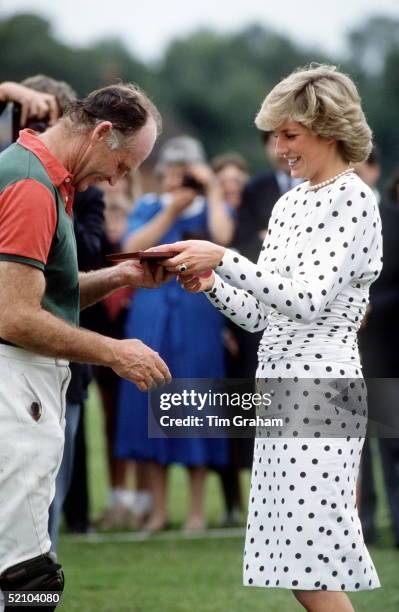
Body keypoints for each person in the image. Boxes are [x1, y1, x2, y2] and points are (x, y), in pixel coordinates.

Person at [157, 65, 383, 611]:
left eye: (290, 134)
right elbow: (262, 314)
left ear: (328, 129)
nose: (278, 148)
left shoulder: (353, 199)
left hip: (322, 384)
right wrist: (210, 283)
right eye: (275, 135)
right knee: (295, 564)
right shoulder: (289, 203)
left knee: (312, 564)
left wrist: (224, 256)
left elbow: (305, 300)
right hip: (277, 383)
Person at [0, 82, 171, 609]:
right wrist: (114, 351)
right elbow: (14, 315)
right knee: (25, 573)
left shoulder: (35, 173)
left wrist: (121, 275)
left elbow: (50, 293)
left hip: (23, 386)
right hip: (16, 389)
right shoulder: (31, 186)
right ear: (100, 133)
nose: (119, 180)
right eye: (123, 165)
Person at [115, 136, 230, 532]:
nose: (177, 182)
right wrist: (169, 212)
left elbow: (225, 238)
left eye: (186, 175)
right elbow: (131, 246)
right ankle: (158, 510)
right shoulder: (149, 208)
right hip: (152, 317)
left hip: (198, 318)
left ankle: (197, 511)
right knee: (150, 404)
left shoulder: (209, 212)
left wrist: (211, 189)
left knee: (196, 405)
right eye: (171, 174)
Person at [358, 165, 399, 546]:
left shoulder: (393, 218)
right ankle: (361, 529)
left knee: (390, 442)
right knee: (351, 444)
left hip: (385, 346)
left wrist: (371, 307)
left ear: (373, 169)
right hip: (343, 349)